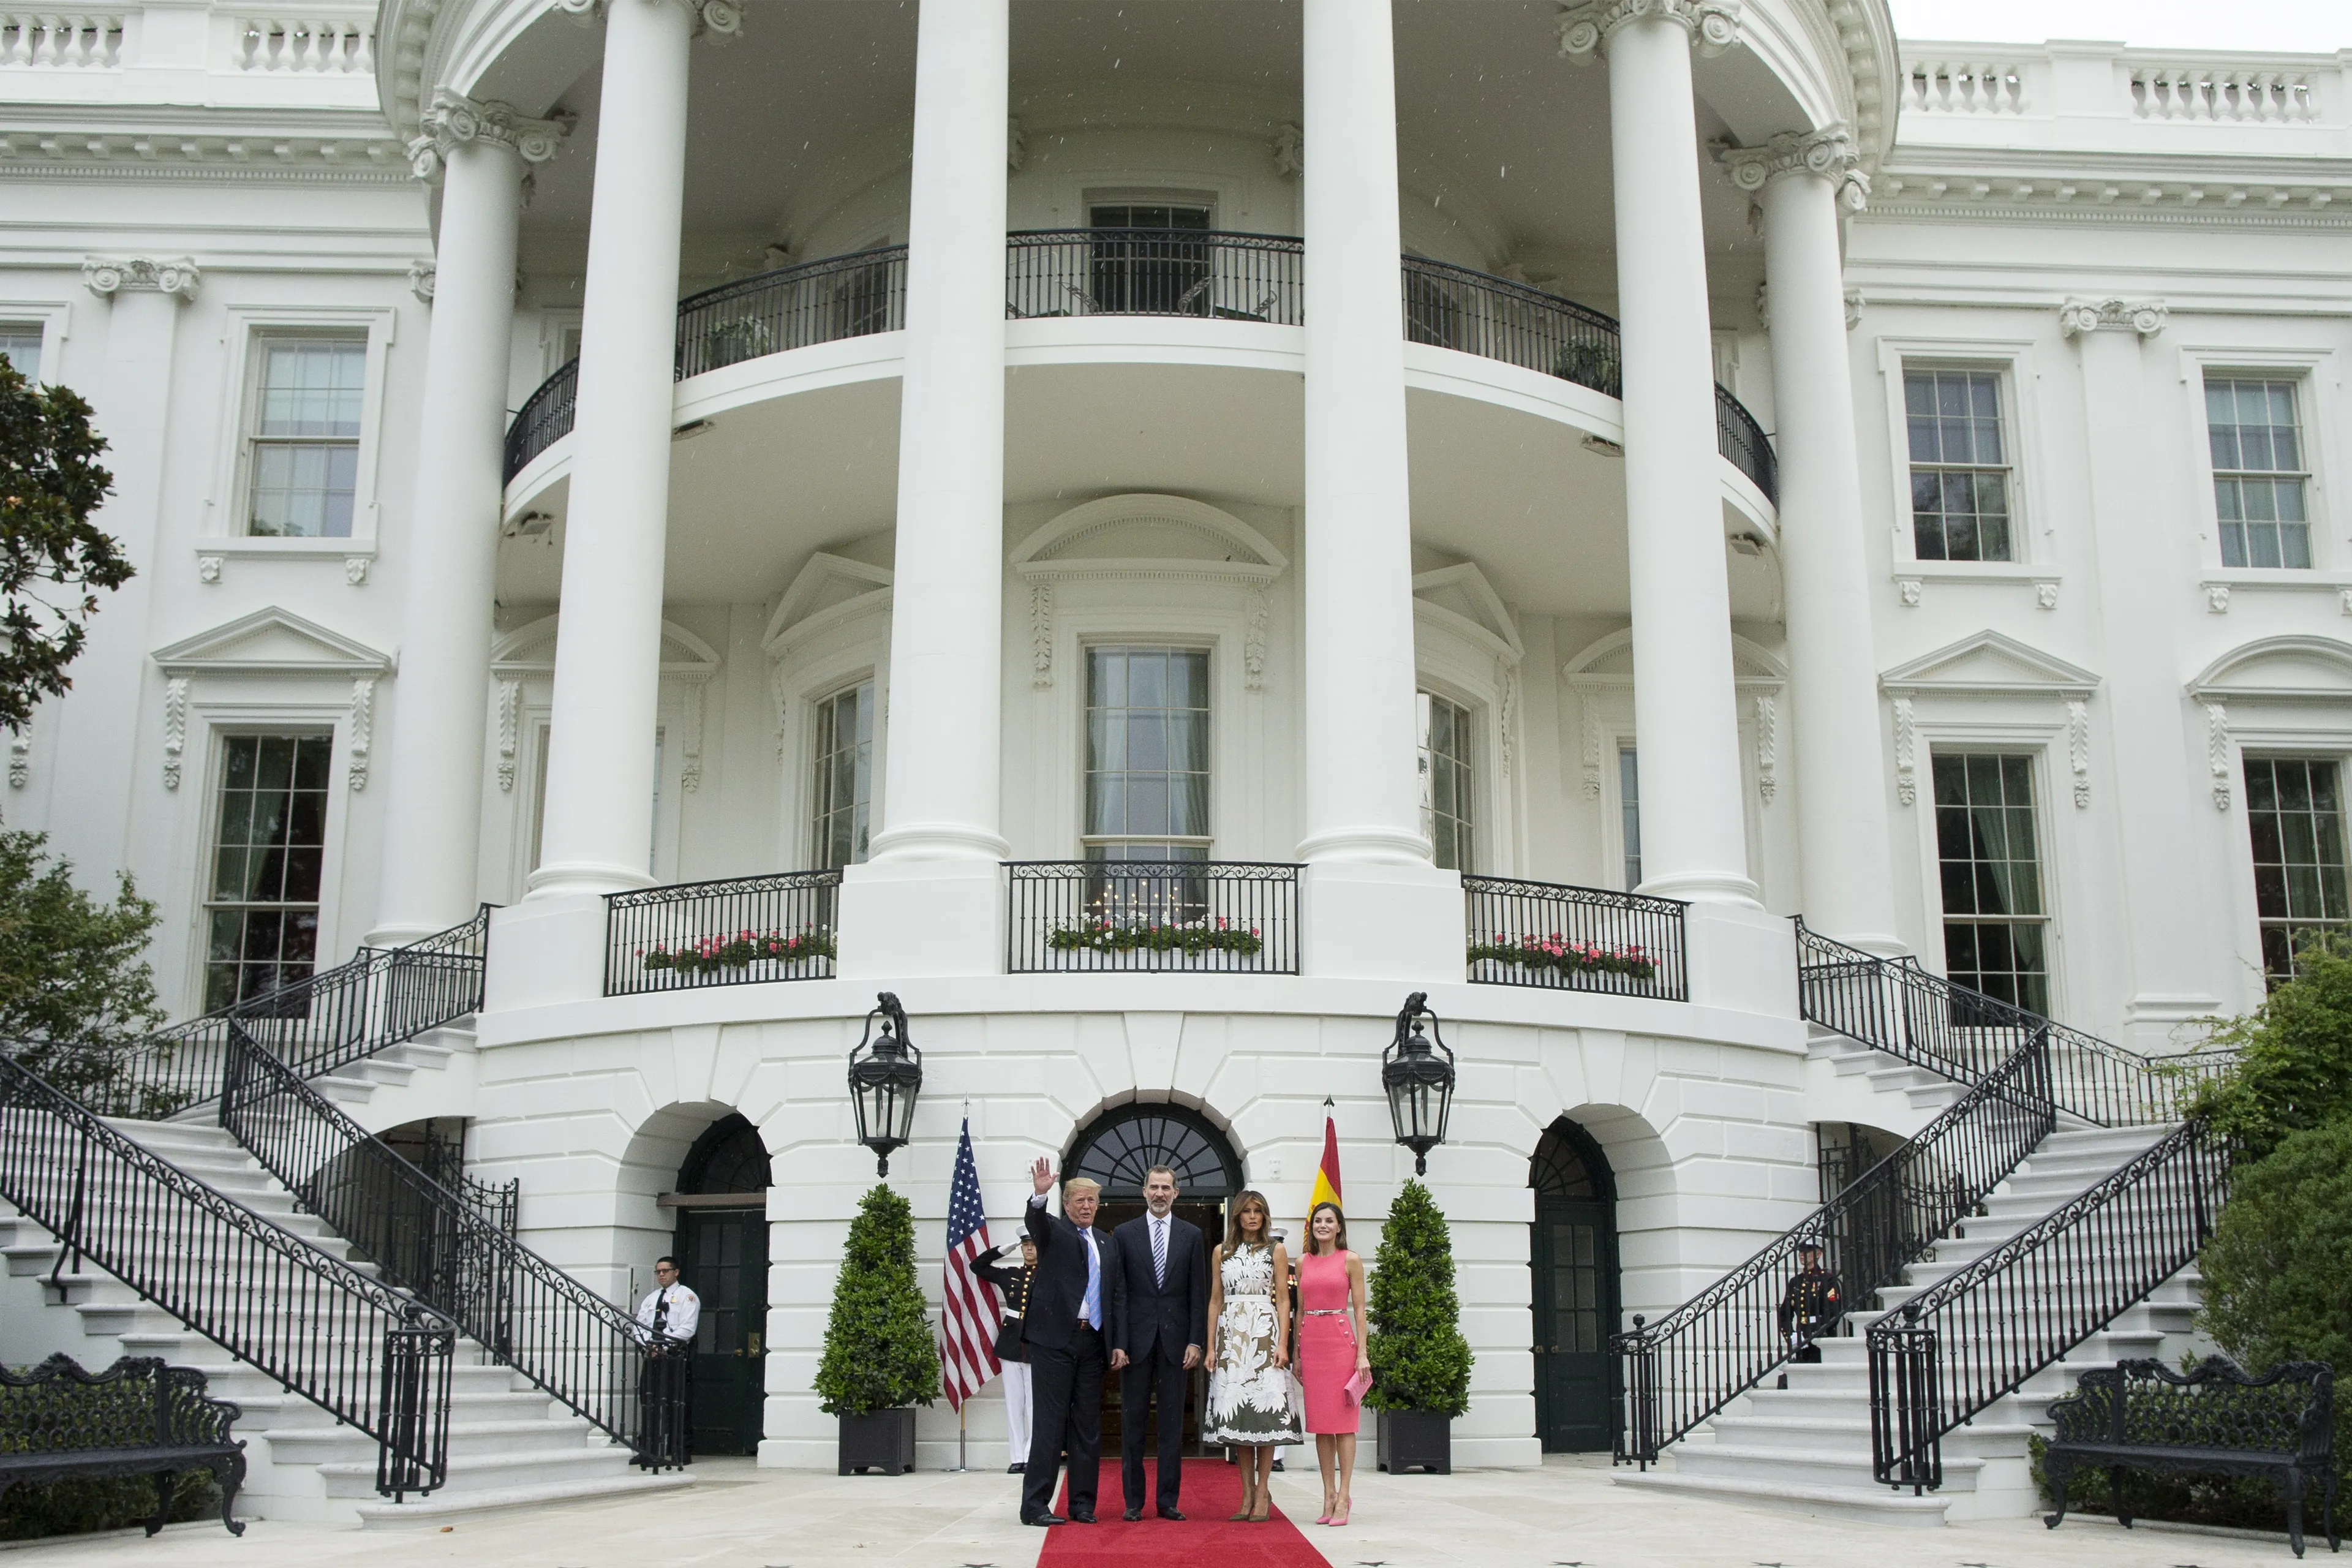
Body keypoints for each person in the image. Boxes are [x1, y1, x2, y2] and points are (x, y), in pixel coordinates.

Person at [1020, 1159, 1120, 1527]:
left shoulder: (1108, 1244)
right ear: (1066, 1204)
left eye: (1092, 1201)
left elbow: (1116, 1295)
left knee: (1087, 1426)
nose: (1086, 1206)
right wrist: (1039, 1195)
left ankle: (1082, 1504)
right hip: (1054, 1342)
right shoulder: (1054, 1232)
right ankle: (1035, 1506)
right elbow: (1036, 1223)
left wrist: (1117, 1343)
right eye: (1079, 1200)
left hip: (1093, 1342)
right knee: (1049, 1423)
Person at [1107, 1164, 1208, 1521]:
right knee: (1133, 1424)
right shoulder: (1124, 1233)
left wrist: (1196, 1341)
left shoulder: (1192, 1234)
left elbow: (1199, 1294)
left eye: (1166, 1188)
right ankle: (1133, 1502)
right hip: (1135, 1344)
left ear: (1176, 1193)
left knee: (1171, 1426)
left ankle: (1168, 1501)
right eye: (1154, 1187)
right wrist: (1118, 1342)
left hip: (1176, 1343)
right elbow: (1118, 1293)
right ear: (1144, 1191)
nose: (1160, 1193)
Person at [1204, 1188, 1300, 1523]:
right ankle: (1246, 1491)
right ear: (1238, 1216)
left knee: (1264, 1416)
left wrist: (1284, 1344)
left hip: (1265, 1334)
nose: (1253, 1216)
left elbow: (1285, 1300)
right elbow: (1215, 1300)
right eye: (1247, 1211)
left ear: (1264, 1216)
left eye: (1258, 1211)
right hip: (1230, 1338)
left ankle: (1263, 1490)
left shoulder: (1276, 1249)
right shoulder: (1222, 1251)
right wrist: (1212, 1347)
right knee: (1240, 1417)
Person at [1295, 1200, 1370, 1528]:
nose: (1323, 1225)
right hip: (1312, 1343)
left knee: (1343, 1422)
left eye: (1329, 1221)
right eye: (1318, 1221)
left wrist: (1363, 1354)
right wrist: (1296, 1353)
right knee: (1321, 1424)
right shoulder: (1302, 1262)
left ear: (1339, 1226)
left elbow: (1360, 1311)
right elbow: (1299, 1310)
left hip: (1341, 1344)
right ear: (1311, 1227)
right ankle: (1327, 1494)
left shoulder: (1351, 1260)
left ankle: (1344, 1494)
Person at [962, 1234, 1039, 1473]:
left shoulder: (1049, 1274)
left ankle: (1031, 1456)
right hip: (1011, 1344)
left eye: (1033, 1244)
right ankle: (1017, 1457)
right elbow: (978, 1266)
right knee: (1014, 1404)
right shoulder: (1010, 1273)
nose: (1028, 1249)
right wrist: (1002, 1249)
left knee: (1034, 1406)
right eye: (1025, 1245)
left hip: (1037, 1344)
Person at [633, 1256, 699, 1468]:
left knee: (677, 1404)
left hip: (675, 1357)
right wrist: (647, 1345)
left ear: (676, 1272)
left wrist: (664, 1347)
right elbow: (640, 1324)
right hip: (653, 1357)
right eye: (658, 1271)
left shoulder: (687, 1296)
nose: (661, 1275)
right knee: (649, 1402)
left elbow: (687, 1329)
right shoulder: (651, 1298)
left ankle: (681, 1451)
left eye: (666, 1270)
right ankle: (649, 1450)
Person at [1778, 1240, 1844, 1363]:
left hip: (1821, 1338)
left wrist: (1811, 1333)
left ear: (1818, 1254)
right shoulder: (1795, 1282)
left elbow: (1832, 1312)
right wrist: (1791, 1335)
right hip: (1801, 1339)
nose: (1802, 1255)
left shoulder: (1827, 1279)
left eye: (1807, 1251)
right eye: (1800, 1252)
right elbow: (1785, 1313)